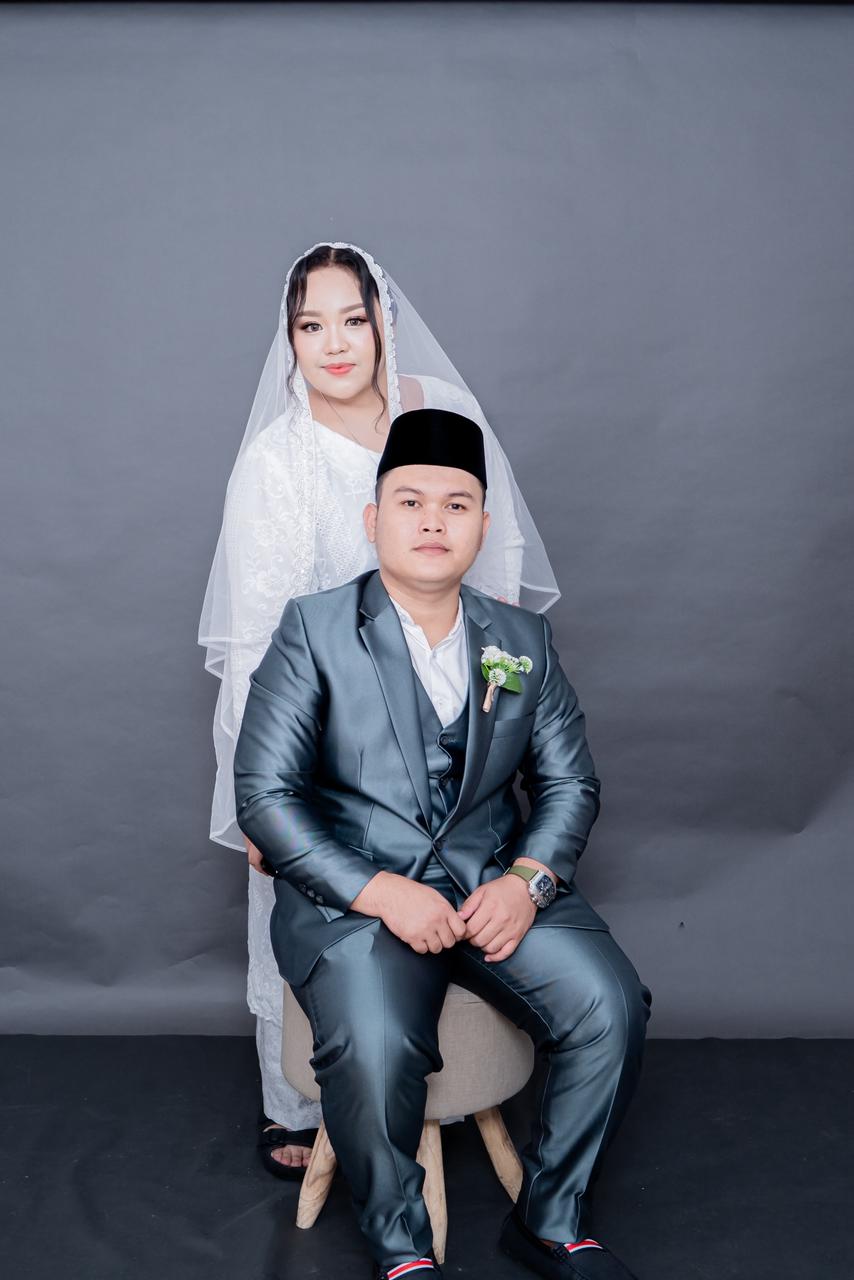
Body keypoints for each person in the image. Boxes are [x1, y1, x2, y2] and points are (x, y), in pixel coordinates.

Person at [234, 408, 652, 1280]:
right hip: (356, 901)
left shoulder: (523, 641)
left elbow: (570, 784)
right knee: (377, 1041)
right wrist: (381, 892)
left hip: (490, 885)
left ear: (482, 527)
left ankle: (549, 1218)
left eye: (456, 505)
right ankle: (400, 1246)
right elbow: (265, 797)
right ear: (373, 518)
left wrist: (527, 881)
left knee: (611, 1003)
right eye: (411, 501)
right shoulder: (313, 629)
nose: (433, 521)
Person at [198, 244, 561, 1176]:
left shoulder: (440, 407)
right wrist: (258, 789)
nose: (334, 343)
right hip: (325, 733)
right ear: (288, 340)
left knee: (457, 877)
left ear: (383, 324)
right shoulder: (277, 463)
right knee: (318, 893)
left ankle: (446, 1065)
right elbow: (255, 642)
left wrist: (492, 714)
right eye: (310, 324)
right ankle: (297, 1104)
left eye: (352, 320)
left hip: (440, 704)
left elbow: (498, 561)